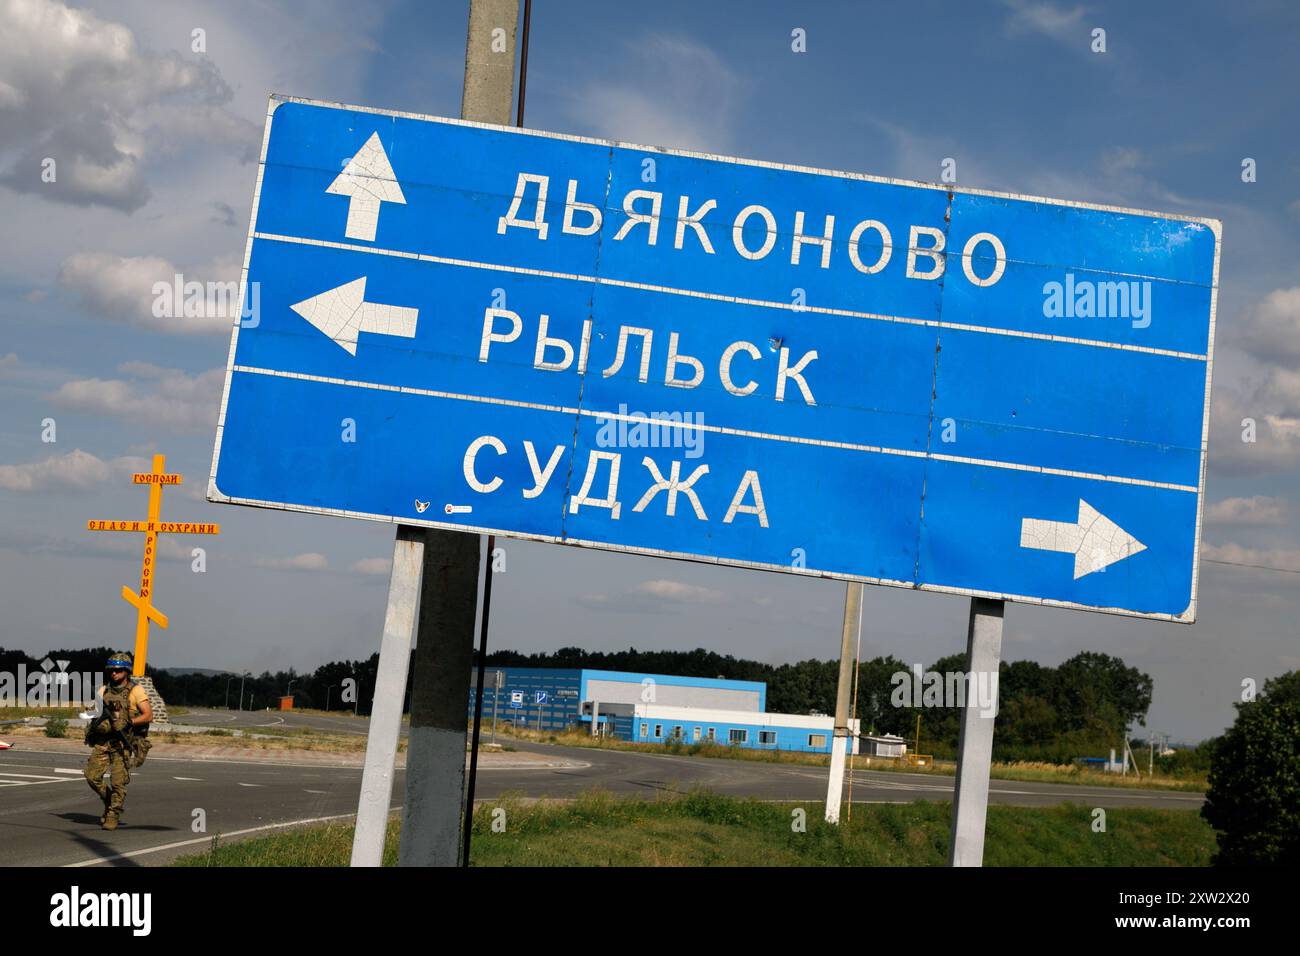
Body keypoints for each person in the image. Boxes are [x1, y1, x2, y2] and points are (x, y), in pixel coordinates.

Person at [83, 652, 152, 830]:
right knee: (92, 776)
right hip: (104, 741)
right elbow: (92, 712)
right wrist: (91, 711)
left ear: (126, 671)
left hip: (123, 743)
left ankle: (113, 813)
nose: (114, 673)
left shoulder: (136, 691)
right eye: (112, 670)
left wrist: (128, 723)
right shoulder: (103, 690)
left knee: (118, 782)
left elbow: (148, 715)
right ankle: (109, 800)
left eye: (118, 670)